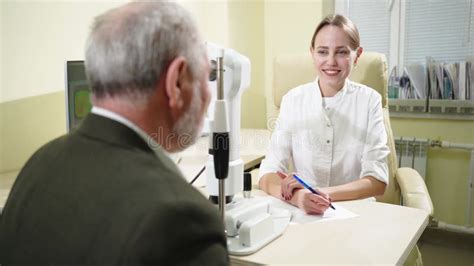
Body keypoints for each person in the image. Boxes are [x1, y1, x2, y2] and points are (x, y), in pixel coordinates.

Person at [0, 2, 229, 265]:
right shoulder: (184, 224)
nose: (209, 93)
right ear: (176, 82)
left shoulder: (38, 164)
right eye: (206, 75)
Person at [258, 14, 390, 215]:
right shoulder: (292, 100)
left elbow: (377, 182)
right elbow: (268, 173)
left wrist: (320, 193)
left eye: (341, 52)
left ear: (357, 55)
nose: (330, 61)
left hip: (356, 212)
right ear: (312, 53)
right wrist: (298, 197)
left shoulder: (370, 101)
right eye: (322, 51)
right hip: (304, 212)